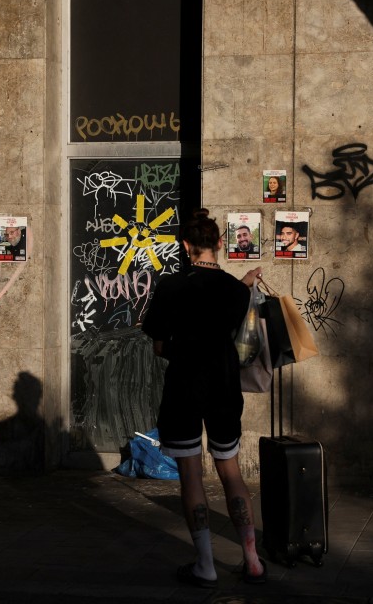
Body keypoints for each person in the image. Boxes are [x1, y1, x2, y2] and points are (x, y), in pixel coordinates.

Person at [141, 208, 266, 588]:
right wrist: (244, 282)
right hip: (225, 384)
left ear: (185, 246)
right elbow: (234, 312)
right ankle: (253, 560)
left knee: (191, 476)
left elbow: (160, 346)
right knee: (231, 471)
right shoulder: (234, 290)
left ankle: (206, 565)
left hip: (184, 386)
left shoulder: (171, 287)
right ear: (219, 244)